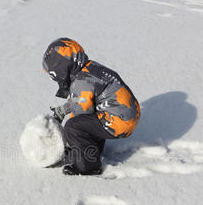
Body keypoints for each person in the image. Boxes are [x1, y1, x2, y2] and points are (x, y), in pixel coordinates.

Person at [43, 38, 140, 175]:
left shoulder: (81, 82)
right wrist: (64, 109)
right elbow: (81, 100)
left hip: (118, 121)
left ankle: (87, 166)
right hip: (126, 115)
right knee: (90, 122)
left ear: (63, 68)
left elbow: (81, 111)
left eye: (54, 74)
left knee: (74, 126)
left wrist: (67, 141)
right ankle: (91, 152)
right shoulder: (89, 69)